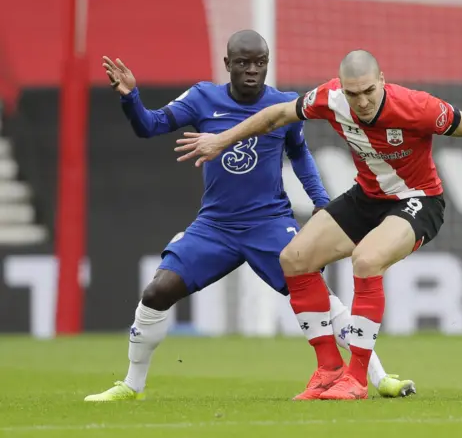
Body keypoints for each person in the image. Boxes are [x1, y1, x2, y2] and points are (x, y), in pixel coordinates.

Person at [173, 49, 462, 401]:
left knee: (367, 260)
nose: (362, 101)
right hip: (367, 197)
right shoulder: (330, 99)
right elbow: (276, 116)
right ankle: (327, 369)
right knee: (294, 259)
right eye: (354, 94)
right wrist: (221, 139)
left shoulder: (416, 107)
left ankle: (356, 379)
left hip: (418, 201)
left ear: (382, 81)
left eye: (369, 91)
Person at [84, 34, 415, 402]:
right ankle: (132, 385)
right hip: (215, 226)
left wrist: (321, 202)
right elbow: (149, 126)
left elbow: (300, 156)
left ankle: (378, 377)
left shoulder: (283, 106)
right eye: (243, 62)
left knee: (319, 295)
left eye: (260, 62)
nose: (252, 70)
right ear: (227, 64)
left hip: (269, 223)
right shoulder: (202, 98)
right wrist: (131, 97)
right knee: (156, 292)